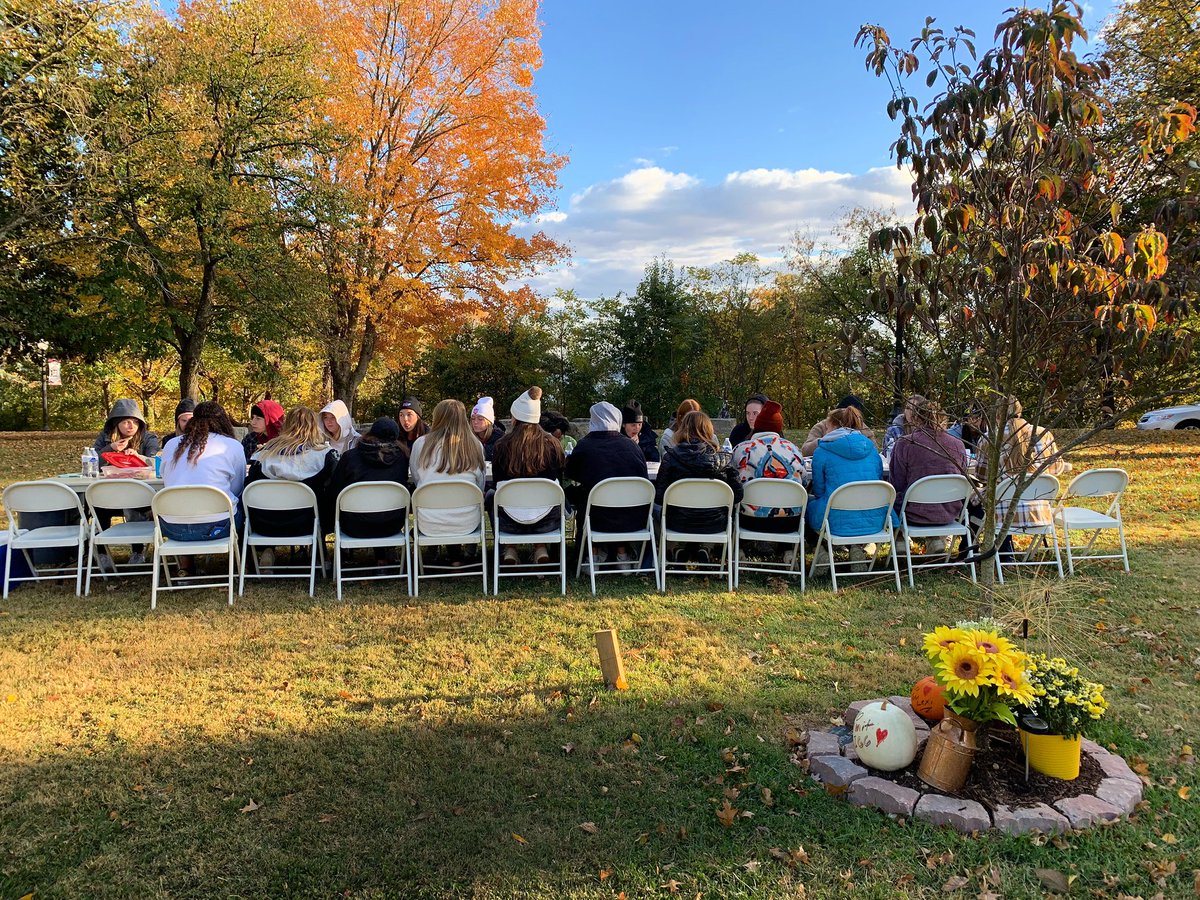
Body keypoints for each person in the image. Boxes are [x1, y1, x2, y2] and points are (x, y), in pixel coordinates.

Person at [244, 406, 340, 567]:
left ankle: (268, 549)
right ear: (314, 426)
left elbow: (248, 486)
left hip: (265, 523)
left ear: (286, 425)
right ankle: (319, 552)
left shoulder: (262, 455)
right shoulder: (325, 455)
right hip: (307, 523)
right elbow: (335, 487)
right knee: (326, 499)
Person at [159, 401, 246, 574]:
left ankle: (186, 565)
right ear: (224, 421)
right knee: (240, 504)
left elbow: (166, 478)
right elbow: (237, 487)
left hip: (172, 526)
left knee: (185, 506)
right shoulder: (232, 445)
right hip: (218, 525)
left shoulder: (171, 445)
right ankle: (245, 565)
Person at [976, 396, 1069, 555]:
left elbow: (981, 476)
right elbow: (1056, 468)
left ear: (997, 415)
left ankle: (984, 552)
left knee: (975, 502)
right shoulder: (1043, 434)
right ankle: (1006, 551)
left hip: (1002, 514)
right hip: (1039, 510)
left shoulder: (989, 438)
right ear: (1020, 411)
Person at [565, 401, 650, 568]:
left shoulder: (585, 446)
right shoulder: (632, 446)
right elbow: (643, 478)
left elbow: (570, 473)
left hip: (597, 517)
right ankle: (622, 553)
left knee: (585, 496)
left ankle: (593, 555)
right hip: (632, 517)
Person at [805, 406, 892, 568]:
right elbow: (878, 482)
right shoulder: (872, 450)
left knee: (806, 505)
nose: (826, 429)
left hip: (834, 521)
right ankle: (856, 549)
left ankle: (821, 551)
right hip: (873, 520)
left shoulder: (822, 451)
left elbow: (819, 491)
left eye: (828, 426)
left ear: (835, 426)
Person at [655, 410, 743, 565]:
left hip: (678, 522)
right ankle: (706, 548)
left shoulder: (670, 458)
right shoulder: (723, 460)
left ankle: (675, 549)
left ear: (682, 429)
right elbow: (738, 494)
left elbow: (660, 497)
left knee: (655, 512)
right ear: (708, 430)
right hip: (714, 523)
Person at [491, 387, 566, 566]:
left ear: (515, 417)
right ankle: (540, 547)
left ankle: (509, 548)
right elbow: (559, 482)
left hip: (509, 522)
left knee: (491, 495)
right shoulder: (553, 444)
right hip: (548, 522)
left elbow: (496, 483)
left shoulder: (501, 445)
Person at [411, 399, 488, 565]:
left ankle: (447, 556)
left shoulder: (420, 445)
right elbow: (479, 485)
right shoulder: (475, 445)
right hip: (467, 521)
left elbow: (418, 480)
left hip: (429, 521)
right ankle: (457, 557)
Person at [888, 397, 968, 556]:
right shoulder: (958, 444)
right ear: (944, 419)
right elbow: (962, 478)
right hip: (949, 510)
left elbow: (896, 482)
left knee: (892, 496)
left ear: (916, 418)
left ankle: (899, 539)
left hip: (913, 513)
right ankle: (933, 538)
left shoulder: (905, 443)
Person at [91, 399, 161, 571]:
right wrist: (110, 448)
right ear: (116, 423)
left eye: (135, 422)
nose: (131, 426)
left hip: (141, 495)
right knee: (96, 505)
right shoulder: (104, 438)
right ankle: (101, 552)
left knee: (134, 506)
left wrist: (139, 457)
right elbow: (91, 462)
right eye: (126, 422)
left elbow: (155, 461)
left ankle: (138, 551)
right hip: (110, 494)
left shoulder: (148, 438)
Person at [730, 401, 807, 551]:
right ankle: (789, 551)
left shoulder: (741, 449)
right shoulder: (794, 450)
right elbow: (803, 484)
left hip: (750, 521)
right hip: (789, 522)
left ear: (758, 425)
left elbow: (733, 482)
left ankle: (739, 551)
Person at [327, 417, 412, 540]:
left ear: (370, 432)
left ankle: (341, 554)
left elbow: (334, 491)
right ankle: (383, 557)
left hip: (354, 526)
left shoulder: (349, 457)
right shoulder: (402, 458)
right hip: (391, 525)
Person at [469, 396, 506, 462]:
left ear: (489, 421)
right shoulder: (468, 438)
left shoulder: (501, 440)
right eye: (473, 418)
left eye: (480, 419)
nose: (475, 422)